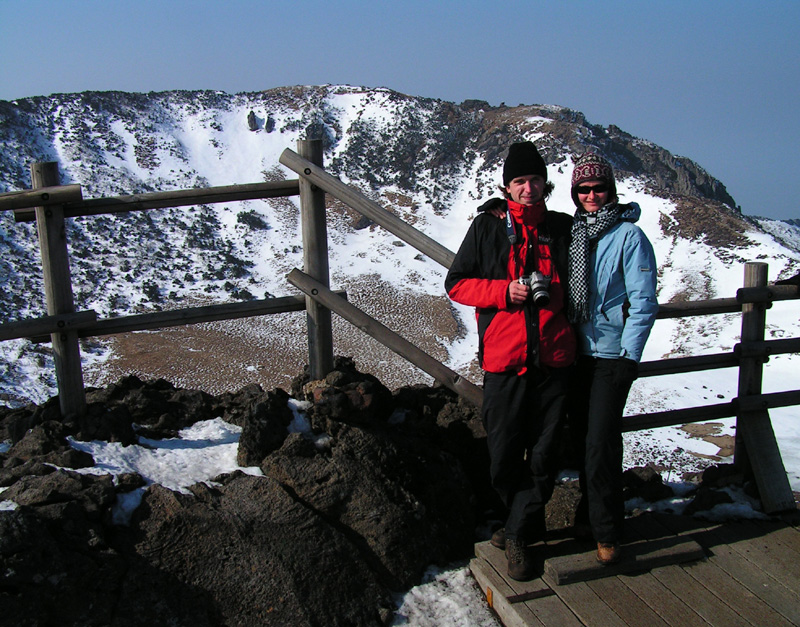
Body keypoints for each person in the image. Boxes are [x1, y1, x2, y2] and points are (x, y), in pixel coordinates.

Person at [445, 141, 576, 580]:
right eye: (519, 181)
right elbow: (458, 284)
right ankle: (521, 518)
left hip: (554, 358)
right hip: (504, 359)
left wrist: (555, 294)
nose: (528, 187)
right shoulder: (487, 226)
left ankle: (517, 533)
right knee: (502, 455)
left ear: (546, 184)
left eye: (535, 179)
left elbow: (582, 287)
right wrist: (504, 292)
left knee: (545, 451)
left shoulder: (563, 228)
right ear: (507, 186)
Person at [566, 152, 658, 565]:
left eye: (597, 188)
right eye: (583, 189)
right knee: (582, 438)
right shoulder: (570, 233)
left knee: (599, 441)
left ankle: (607, 532)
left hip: (610, 355)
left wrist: (629, 357)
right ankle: (590, 518)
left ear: (611, 190)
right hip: (572, 353)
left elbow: (643, 301)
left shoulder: (628, 236)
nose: (590, 195)